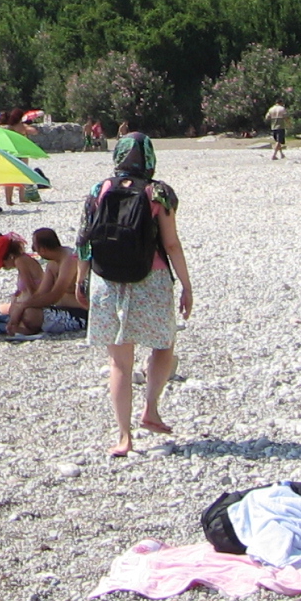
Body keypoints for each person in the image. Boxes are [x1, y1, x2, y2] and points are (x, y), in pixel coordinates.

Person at [79, 134, 193, 458]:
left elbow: (84, 241)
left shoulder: (98, 190)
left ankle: (123, 437)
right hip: (150, 279)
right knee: (163, 344)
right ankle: (151, 409)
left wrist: (80, 280)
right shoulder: (159, 193)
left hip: (107, 279)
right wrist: (186, 285)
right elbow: (171, 244)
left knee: (119, 362)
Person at [8, 228, 89, 335]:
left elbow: (55, 295)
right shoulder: (52, 264)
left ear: (43, 250)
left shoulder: (69, 260)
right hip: (59, 308)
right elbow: (40, 293)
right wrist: (20, 306)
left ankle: (26, 329)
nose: (34, 250)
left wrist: (23, 306)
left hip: (78, 312)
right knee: (16, 308)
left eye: (35, 248)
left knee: (29, 315)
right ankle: (24, 329)